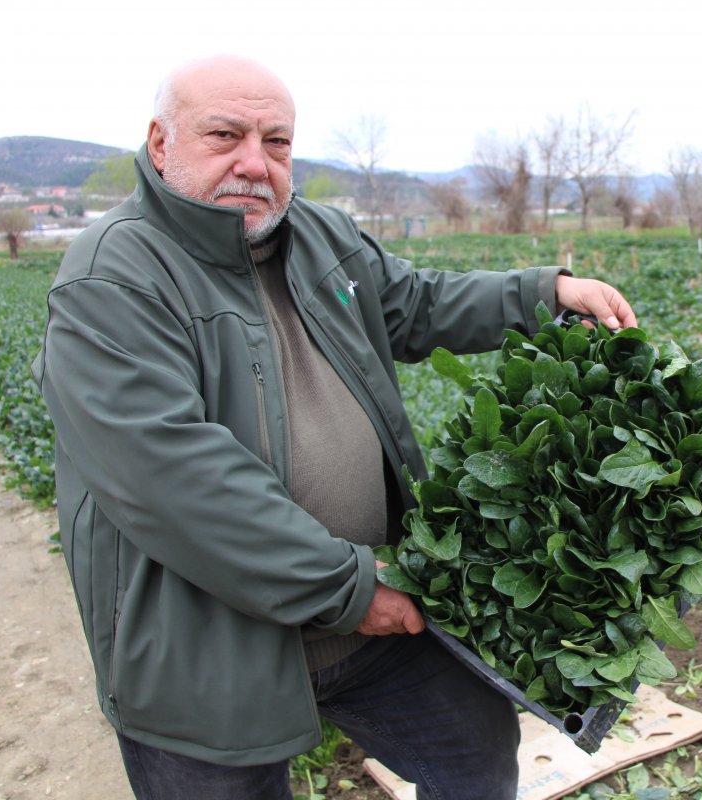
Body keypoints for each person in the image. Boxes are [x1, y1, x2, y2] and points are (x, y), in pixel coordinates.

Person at [32, 54, 636, 800]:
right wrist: (349, 588)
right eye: (225, 135)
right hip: (209, 653)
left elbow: (416, 303)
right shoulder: (113, 278)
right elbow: (176, 483)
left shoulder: (318, 237)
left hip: (371, 623)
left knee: (474, 754)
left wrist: (544, 293)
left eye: (277, 142)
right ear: (161, 143)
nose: (254, 163)